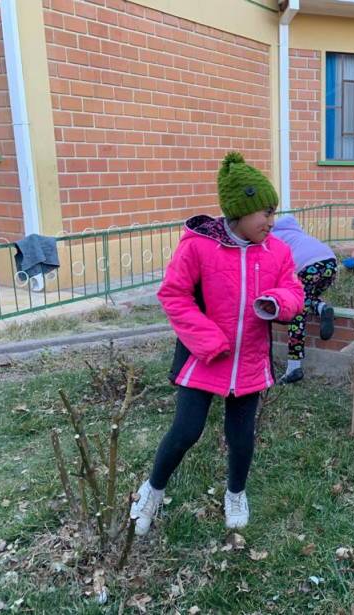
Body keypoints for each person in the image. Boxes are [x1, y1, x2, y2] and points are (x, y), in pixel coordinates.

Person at [130, 152, 304, 535]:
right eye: (265, 213)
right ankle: (151, 491)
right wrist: (207, 339)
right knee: (186, 430)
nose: (271, 221)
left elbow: (294, 290)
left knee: (241, 437)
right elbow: (174, 294)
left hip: (249, 359)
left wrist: (278, 302)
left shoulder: (277, 251)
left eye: (274, 212)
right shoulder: (198, 247)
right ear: (239, 212)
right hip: (205, 356)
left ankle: (236, 494)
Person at [271, 215, 337, 384]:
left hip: (307, 267)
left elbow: (274, 266)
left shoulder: (274, 236)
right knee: (306, 299)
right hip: (331, 263)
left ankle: (294, 368)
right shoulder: (297, 233)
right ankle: (322, 308)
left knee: (297, 310)